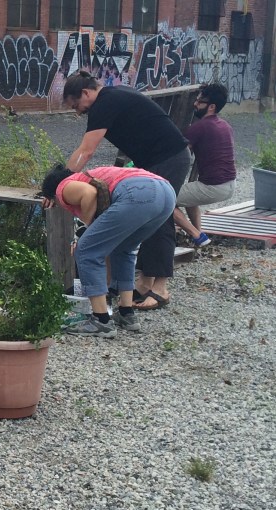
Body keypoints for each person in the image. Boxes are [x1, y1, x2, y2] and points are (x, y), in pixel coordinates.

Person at [63, 70, 193, 312]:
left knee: (160, 216)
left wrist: (63, 179)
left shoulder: (105, 103)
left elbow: (87, 150)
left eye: (77, 105)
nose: (78, 112)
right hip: (158, 159)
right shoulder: (114, 95)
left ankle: (160, 287)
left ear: (85, 92)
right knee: (150, 216)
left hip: (169, 157)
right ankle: (141, 283)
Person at [40, 164, 176, 337]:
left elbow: (89, 193)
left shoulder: (63, 187)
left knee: (86, 250)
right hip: (165, 193)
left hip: (139, 193)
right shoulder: (90, 175)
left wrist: (85, 233)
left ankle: (101, 320)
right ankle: (127, 314)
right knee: (123, 248)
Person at [174, 83, 236, 247]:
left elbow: (177, 155)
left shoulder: (198, 127)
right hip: (230, 184)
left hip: (213, 187)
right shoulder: (225, 125)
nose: (195, 104)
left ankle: (196, 235)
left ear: (211, 106)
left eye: (200, 102)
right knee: (191, 194)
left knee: (164, 199)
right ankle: (198, 237)